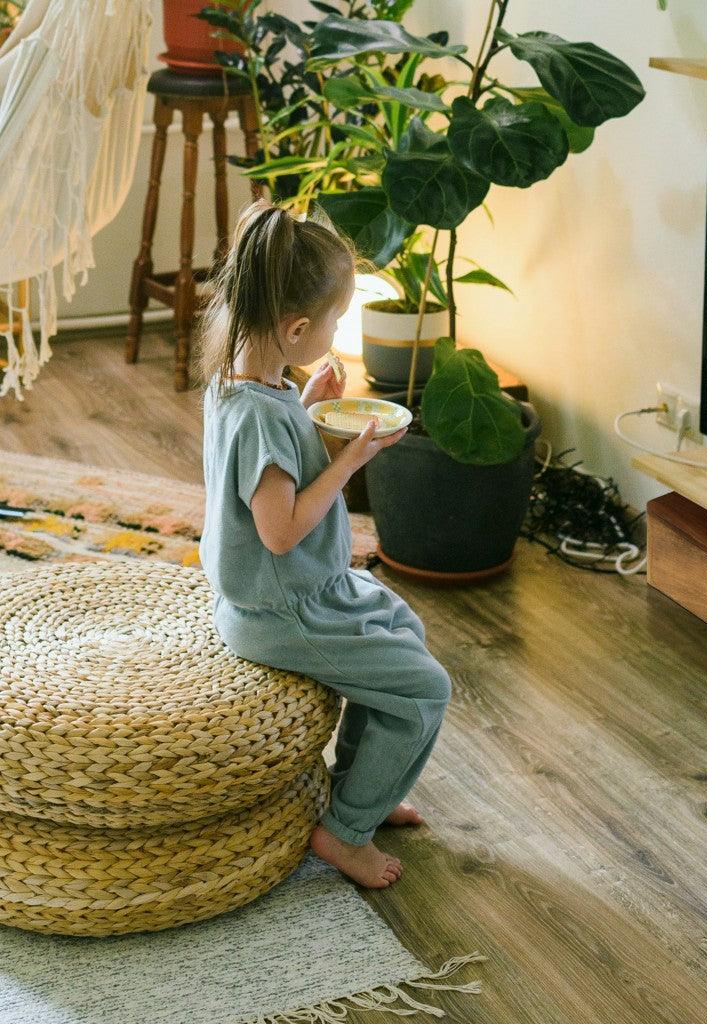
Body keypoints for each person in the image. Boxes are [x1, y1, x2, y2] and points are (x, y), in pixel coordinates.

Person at [198, 200, 451, 889]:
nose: (337, 329)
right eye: (336, 320)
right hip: (282, 613)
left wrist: (307, 401)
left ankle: (367, 781)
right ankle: (345, 833)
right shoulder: (256, 415)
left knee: (404, 627)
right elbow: (279, 530)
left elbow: (270, 465)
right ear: (299, 327)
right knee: (425, 687)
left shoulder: (245, 382)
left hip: (302, 591)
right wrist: (348, 461)